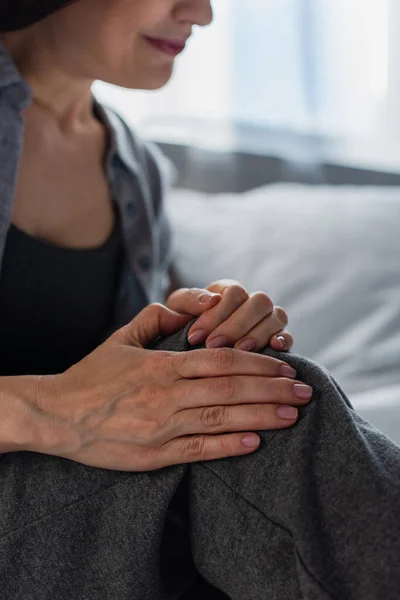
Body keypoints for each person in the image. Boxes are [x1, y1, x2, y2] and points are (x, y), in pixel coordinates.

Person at [0, 2, 399, 599]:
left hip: (82, 513)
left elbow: (133, 379)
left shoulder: (136, 169)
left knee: (236, 390)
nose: (203, 13)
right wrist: (52, 407)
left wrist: (207, 325)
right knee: (266, 427)